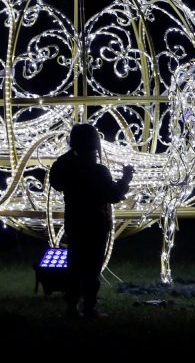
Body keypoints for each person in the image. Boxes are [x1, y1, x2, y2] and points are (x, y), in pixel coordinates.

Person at [49, 123, 133, 319]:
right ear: (95, 144)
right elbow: (114, 195)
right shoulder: (98, 171)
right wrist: (125, 179)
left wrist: (70, 156)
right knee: (92, 268)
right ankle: (89, 308)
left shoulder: (68, 167)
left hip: (75, 222)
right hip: (96, 224)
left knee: (75, 265)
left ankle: (71, 307)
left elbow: (56, 181)